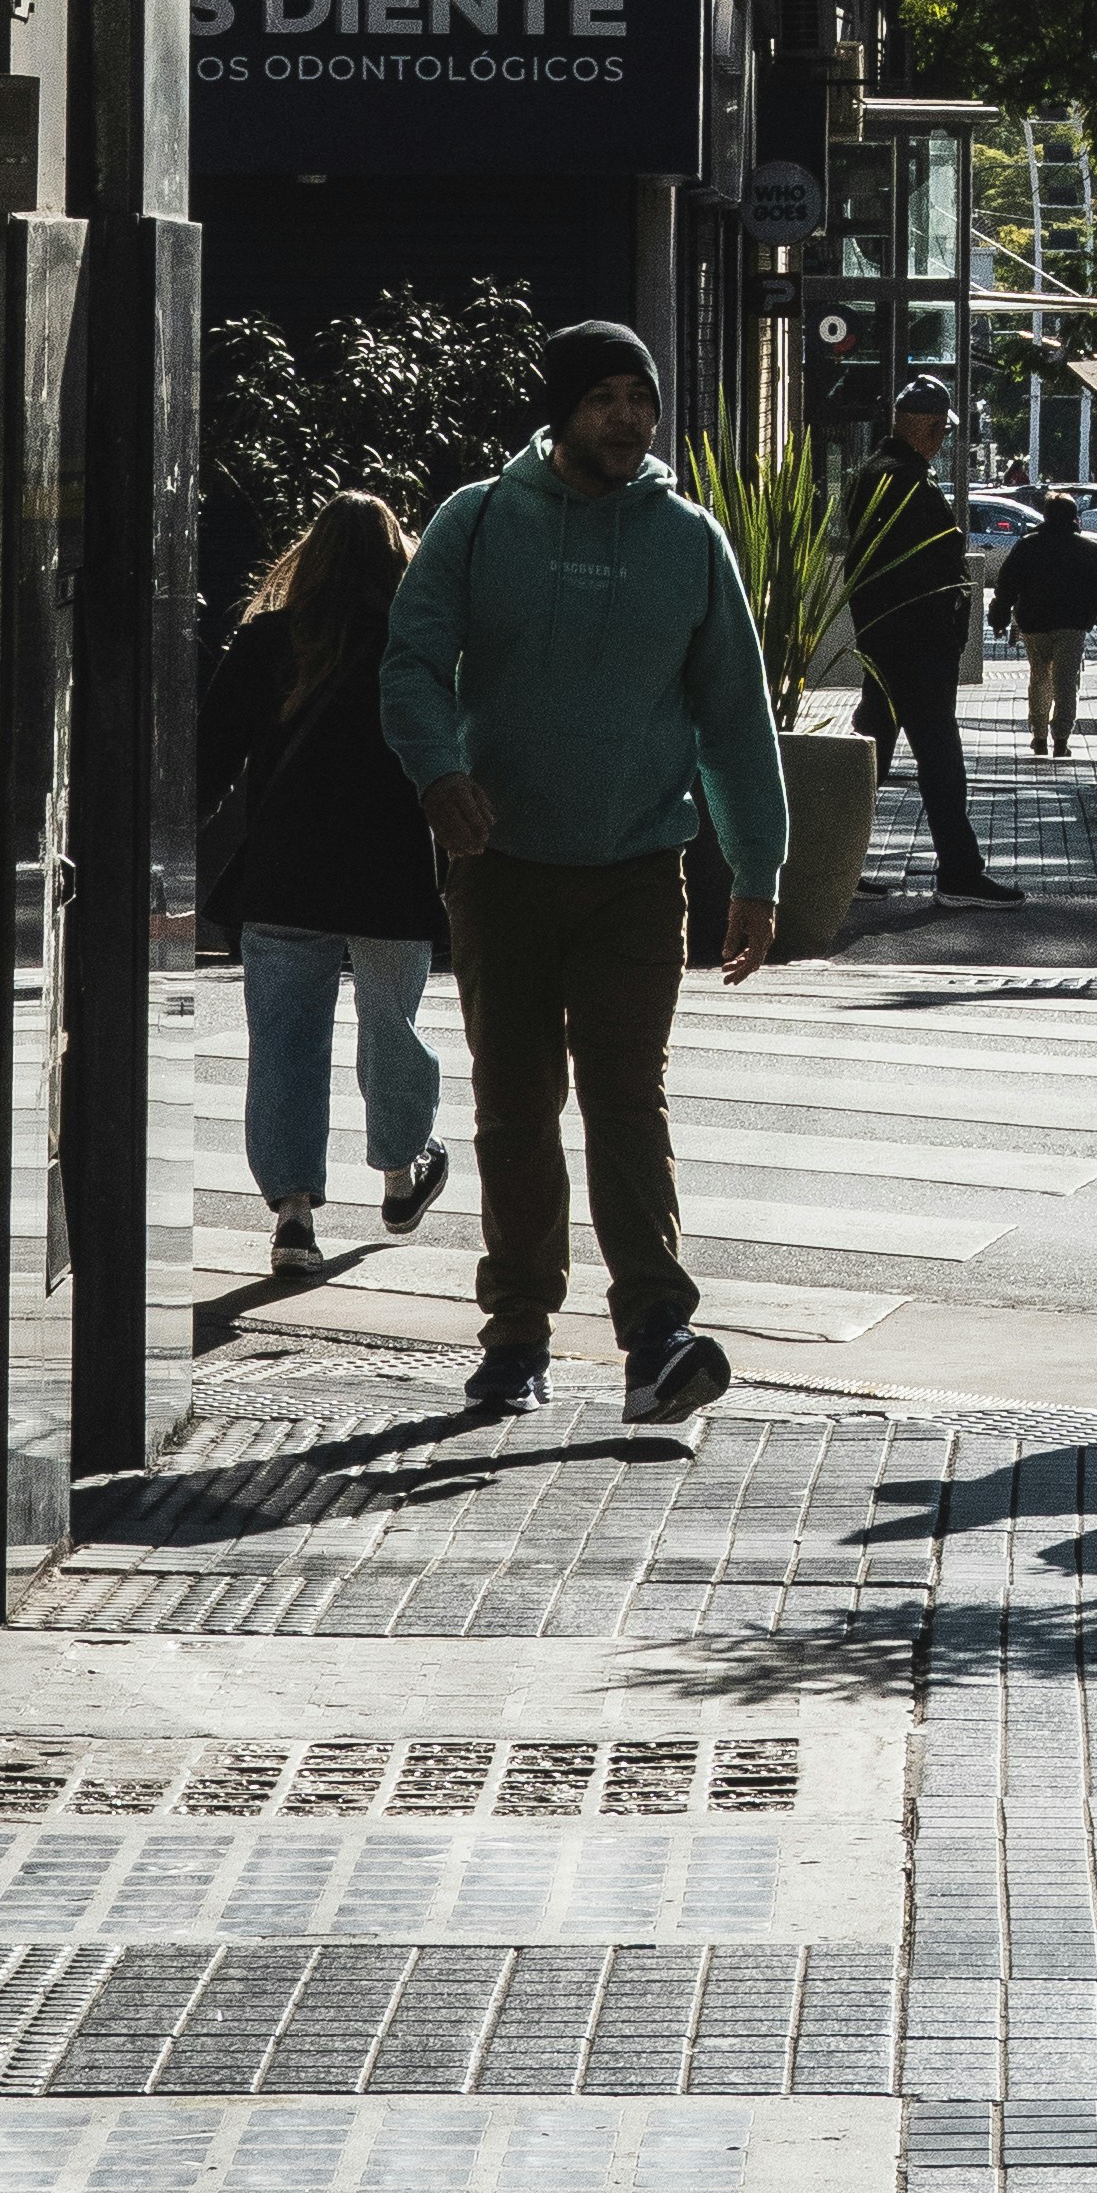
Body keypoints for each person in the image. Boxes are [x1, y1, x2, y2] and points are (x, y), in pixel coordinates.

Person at [379, 318, 789, 1425]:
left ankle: (656, 1331)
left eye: (640, 399)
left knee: (624, 1099)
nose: (627, 418)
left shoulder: (690, 540)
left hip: (636, 873)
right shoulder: (478, 521)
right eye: (605, 397)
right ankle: (516, 1334)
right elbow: (412, 663)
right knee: (514, 1109)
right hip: (500, 868)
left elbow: (735, 719)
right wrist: (437, 773)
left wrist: (757, 867)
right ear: (563, 410)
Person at [203, 491, 451, 1276]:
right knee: (392, 1027)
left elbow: (207, 764)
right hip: (389, 876)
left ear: (306, 561)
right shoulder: (414, 650)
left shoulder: (266, 644)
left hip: (285, 876)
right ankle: (400, 1168)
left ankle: (293, 1219)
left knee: (283, 1045)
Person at [845, 375, 1018, 903]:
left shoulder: (874, 474)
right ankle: (960, 872)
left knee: (872, 756)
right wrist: (942, 633)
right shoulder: (904, 481)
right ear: (921, 425)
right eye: (941, 427)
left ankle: (833, 862)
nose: (945, 436)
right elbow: (920, 568)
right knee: (939, 759)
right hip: (913, 647)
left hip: (889, 640)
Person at [993, 486, 1097, 761]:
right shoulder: (1090, 550)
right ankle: (1061, 737)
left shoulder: (1028, 545)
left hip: (1034, 622)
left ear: (1046, 516)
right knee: (1066, 681)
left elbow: (1007, 585)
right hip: (1073, 623)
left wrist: (999, 618)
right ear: (1074, 517)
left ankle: (1038, 736)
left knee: (1039, 677)